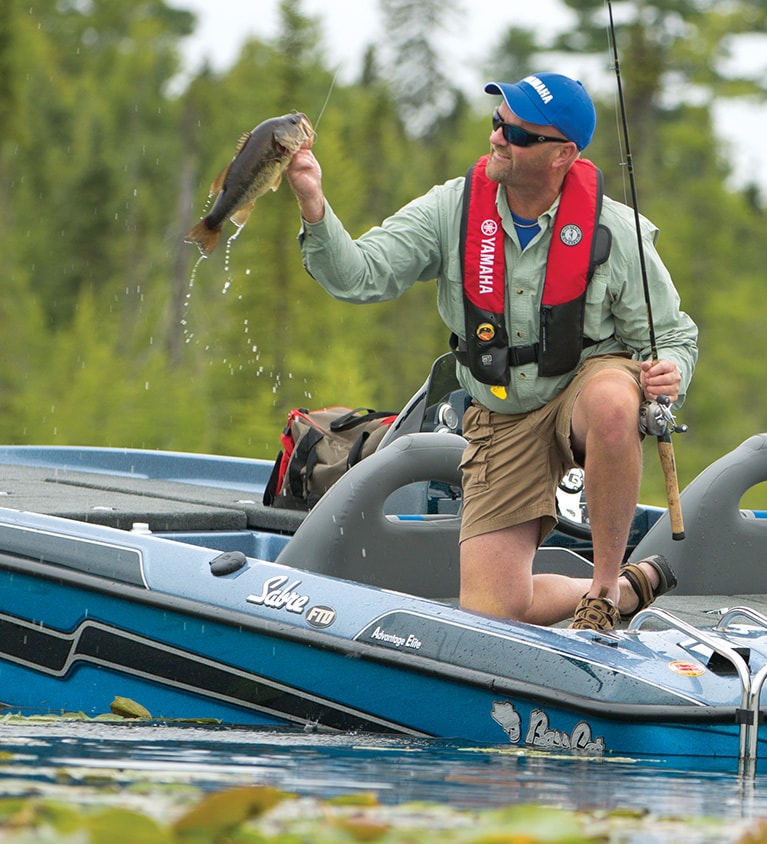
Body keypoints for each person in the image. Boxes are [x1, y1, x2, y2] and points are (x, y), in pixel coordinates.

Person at [284, 71, 697, 631]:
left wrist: (672, 373)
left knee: (613, 404)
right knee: (495, 610)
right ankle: (627, 589)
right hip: (501, 412)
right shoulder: (450, 210)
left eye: (518, 134)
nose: (498, 137)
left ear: (563, 155)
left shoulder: (616, 231)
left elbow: (672, 336)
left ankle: (601, 592)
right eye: (498, 122)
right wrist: (312, 202)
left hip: (584, 386)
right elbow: (358, 276)